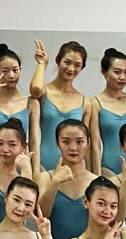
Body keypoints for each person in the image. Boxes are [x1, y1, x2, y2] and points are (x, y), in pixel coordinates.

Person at [27, 39, 88, 176]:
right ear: (58, 61)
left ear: (82, 68)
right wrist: (42, 64)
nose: (71, 69)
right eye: (67, 62)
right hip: (43, 164)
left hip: (73, 168)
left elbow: (86, 145)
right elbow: (35, 89)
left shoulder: (85, 102)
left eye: (77, 65)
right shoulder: (44, 93)